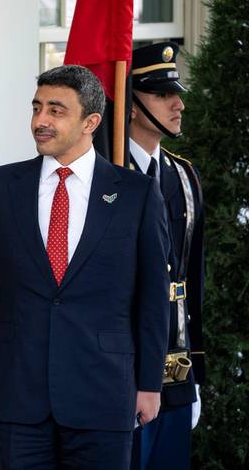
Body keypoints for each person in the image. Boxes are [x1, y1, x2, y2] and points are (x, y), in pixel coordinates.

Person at [0, 65, 170, 469]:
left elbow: (152, 298)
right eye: (37, 107)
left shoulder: (136, 194)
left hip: (105, 392)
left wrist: (149, 382)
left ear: (90, 122)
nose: (40, 121)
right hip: (16, 392)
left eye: (56, 110)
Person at [128, 42, 205, 470]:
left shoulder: (184, 175)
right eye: (161, 94)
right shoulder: (109, 173)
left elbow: (194, 280)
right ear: (132, 105)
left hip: (174, 371)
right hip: (120, 372)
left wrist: (196, 379)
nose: (177, 104)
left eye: (176, 93)